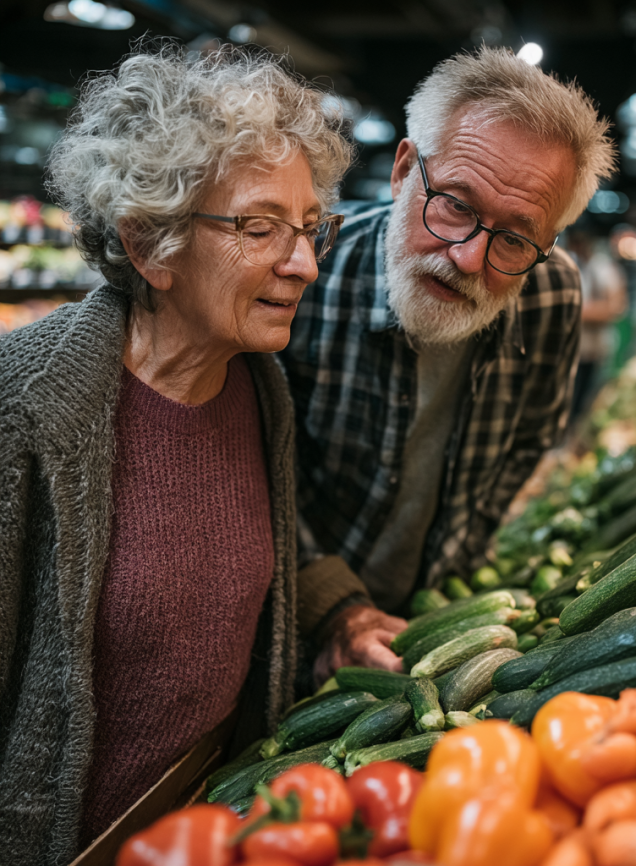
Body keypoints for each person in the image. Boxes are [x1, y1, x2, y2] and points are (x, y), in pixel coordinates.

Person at [0, 45, 354, 864]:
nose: (302, 264)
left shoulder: (259, 391)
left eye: (309, 229)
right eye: (261, 227)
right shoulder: (25, 404)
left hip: (205, 832)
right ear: (150, 242)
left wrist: (340, 607)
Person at [281, 47, 616, 682]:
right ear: (404, 170)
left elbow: (528, 443)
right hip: (288, 617)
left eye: (515, 238)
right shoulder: (305, 277)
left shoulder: (553, 296)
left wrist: (450, 580)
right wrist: (333, 607)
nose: (468, 259)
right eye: (456, 205)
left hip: (430, 622)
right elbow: (254, 473)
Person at [567, 230, 628, 418]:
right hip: (572, 347)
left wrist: (578, 311)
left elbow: (617, 307)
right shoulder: (572, 266)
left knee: (589, 399)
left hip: (597, 348)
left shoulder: (605, 269)